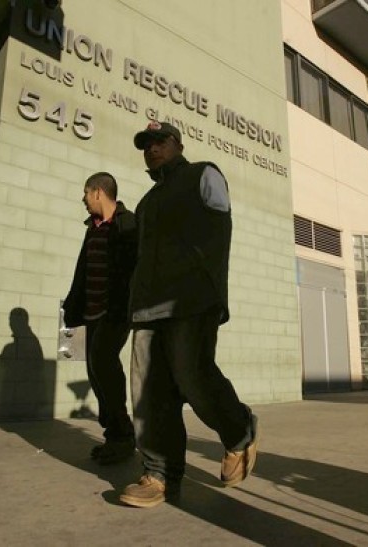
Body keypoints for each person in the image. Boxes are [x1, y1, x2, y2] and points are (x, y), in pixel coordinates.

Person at [119, 121, 259, 508]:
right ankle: (158, 473)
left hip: (191, 299)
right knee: (148, 395)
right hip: (148, 307)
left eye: (160, 141)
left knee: (193, 377)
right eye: (145, 144)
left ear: (178, 144)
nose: (152, 148)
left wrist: (207, 282)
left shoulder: (204, 174)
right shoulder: (146, 203)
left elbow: (221, 229)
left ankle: (239, 430)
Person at [62, 172, 137, 464]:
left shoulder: (128, 223)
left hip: (115, 312)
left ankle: (122, 435)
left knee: (104, 365)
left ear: (98, 193)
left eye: (85, 193)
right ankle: (114, 434)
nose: (82, 199)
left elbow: (133, 269)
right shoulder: (91, 228)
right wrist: (72, 308)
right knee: (95, 370)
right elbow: (81, 271)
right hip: (91, 313)